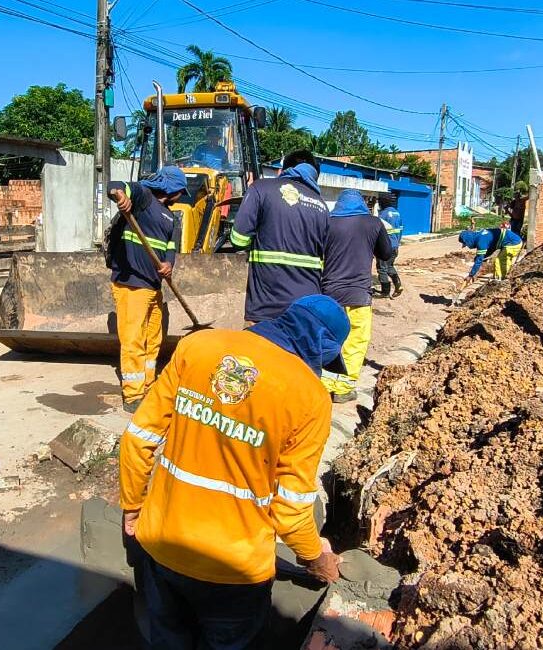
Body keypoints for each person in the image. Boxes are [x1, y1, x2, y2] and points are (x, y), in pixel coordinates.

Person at [119, 295, 347, 649]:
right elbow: (291, 508)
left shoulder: (198, 347)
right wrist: (317, 558)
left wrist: (132, 506)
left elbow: (138, 439)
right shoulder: (310, 397)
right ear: (321, 345)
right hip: (234, 573)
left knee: (167, 638)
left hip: (162, 545)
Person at [106, 166, 187, 412]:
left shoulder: (172, 218)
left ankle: (148, 386)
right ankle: (132, 396)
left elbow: (171, 248)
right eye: (180, 191)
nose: (182, 196)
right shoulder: (143, 197)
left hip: (154, 285)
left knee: (153, 340)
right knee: (134, 340)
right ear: (171, 187)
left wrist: (168, 265)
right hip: (132, 283)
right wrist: (120, 196)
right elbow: (115, 184)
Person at [229, 150, 331, 324]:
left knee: (259, 351)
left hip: (266, 306)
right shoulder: (322, 206)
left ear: (282, 170)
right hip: (306, 309)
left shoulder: (261, 188)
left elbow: (238, 240)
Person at [320, 190, 393, 404]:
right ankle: (343, 388)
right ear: (362, 204)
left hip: (329, 294)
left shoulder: (327, 223)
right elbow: (386, 254)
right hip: (358, 294)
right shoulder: (373, 223)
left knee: (329, 338)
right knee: (356, 340)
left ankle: (324, 385)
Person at [459, 226, 525, 285]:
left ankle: (499, 282)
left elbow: (479, 261)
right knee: (503, 260)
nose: (467, 246)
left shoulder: (481, 242)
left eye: (466, 244)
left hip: (513, 243)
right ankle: (502, 277)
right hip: (511, 242)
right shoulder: (479, 236)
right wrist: (481, 257)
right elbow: (492, 248)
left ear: (468, 240)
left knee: (499, 261)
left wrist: (470, 275)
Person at [376, 193, 404, 299]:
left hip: (385, 246)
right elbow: (400, 230)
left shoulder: (383, 214)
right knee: (390, 266)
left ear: (383, 202)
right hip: (395, 246)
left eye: (379, 201)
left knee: (382, 268)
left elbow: (378, 231)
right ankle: (398, 285)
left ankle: (385, 292)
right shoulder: (397, 213)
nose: (378, 203)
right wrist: (397, 243)